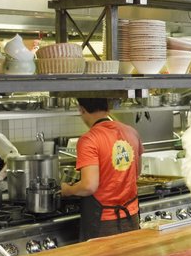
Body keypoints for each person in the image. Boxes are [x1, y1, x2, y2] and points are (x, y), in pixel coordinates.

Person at [60, 98, 143, 241]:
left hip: (103, 223)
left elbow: (88, 186)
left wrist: (66, 189)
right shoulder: (131, 132)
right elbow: (137, 171)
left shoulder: (89, 139)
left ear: (82, 110)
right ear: (108, 108)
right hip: (132, 217)